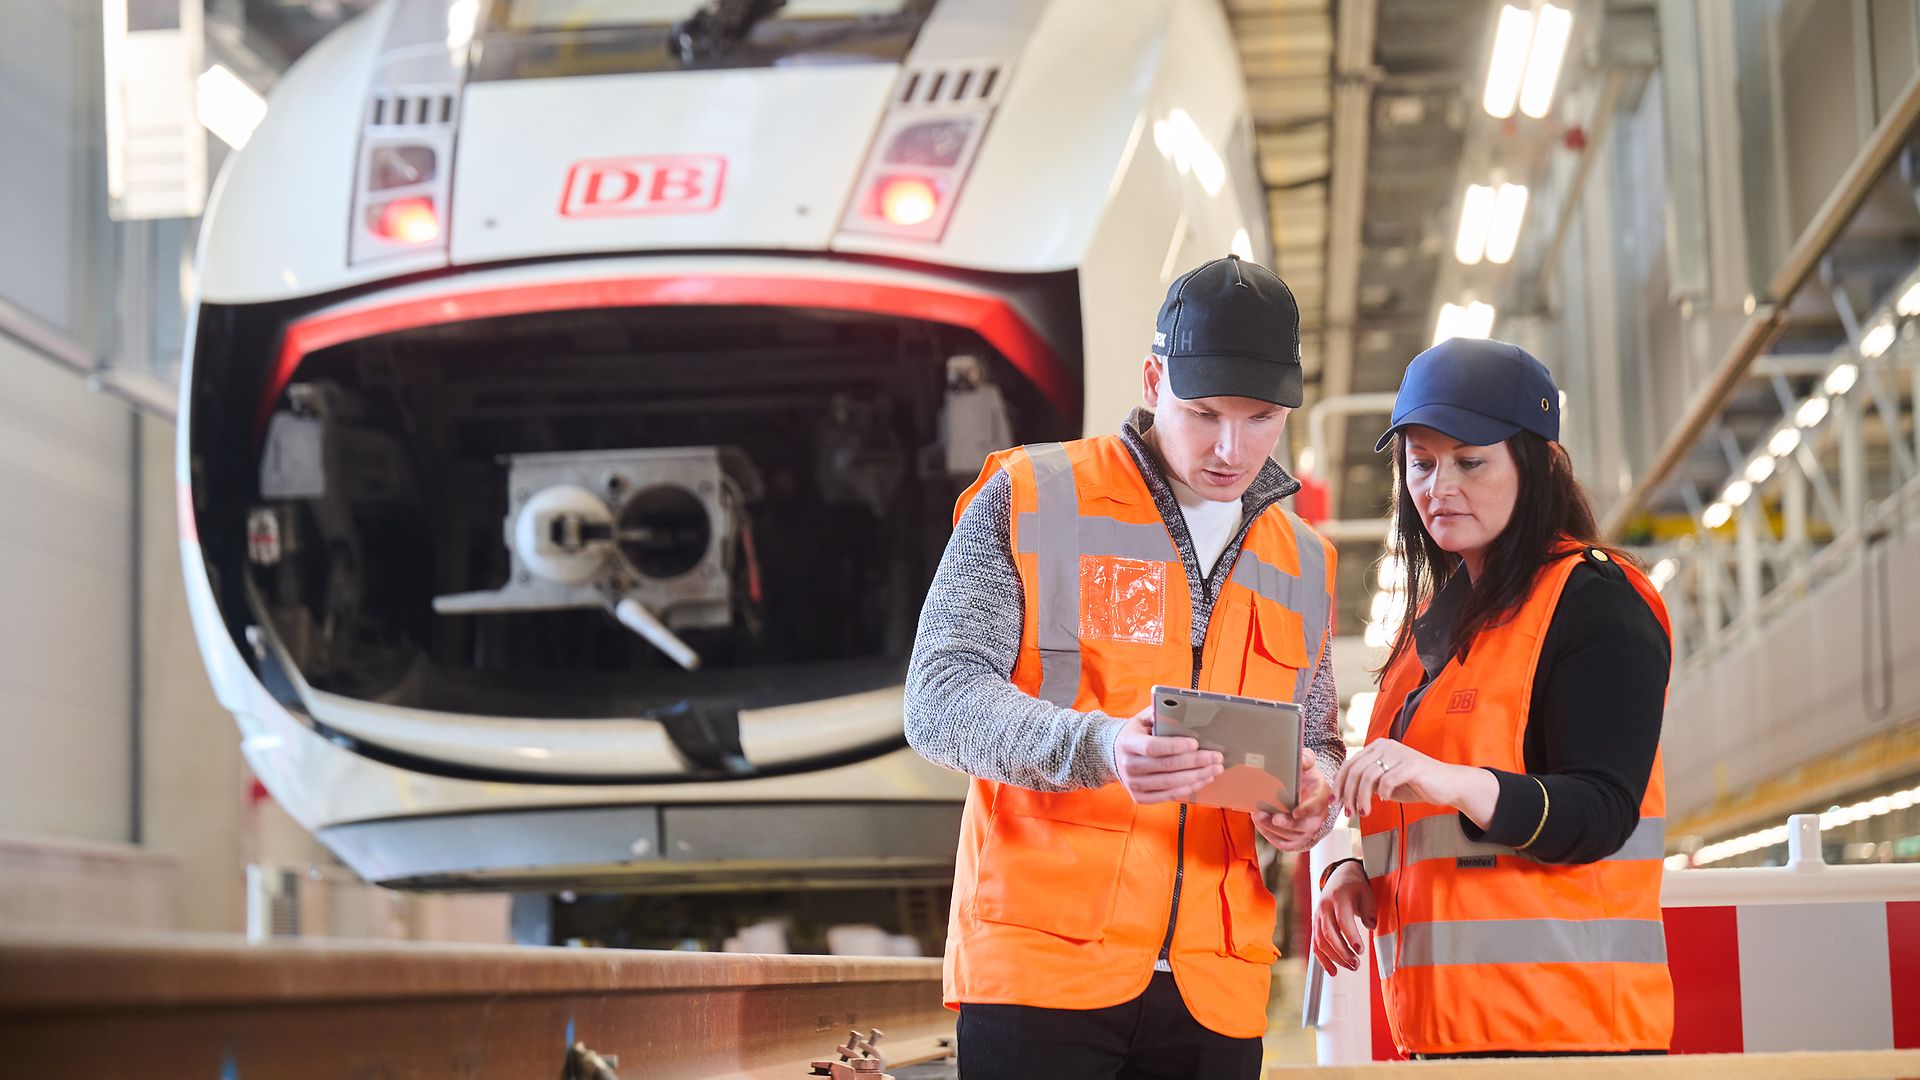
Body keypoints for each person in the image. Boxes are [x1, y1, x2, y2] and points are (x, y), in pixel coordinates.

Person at [905, 254, 1345, 1079]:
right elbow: (939, 698)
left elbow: (1319, 738)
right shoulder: (1035, 494)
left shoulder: (1308, 562)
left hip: (1218, 986)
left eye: (1260, 418)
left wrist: (1309, 799)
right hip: (1042, 971)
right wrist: (1104, 747)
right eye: (1205, 411)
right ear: (1152, 379)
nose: (1229, 446)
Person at [1313, 337, 1673, 1058]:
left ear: (1537, 463)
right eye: (1421, 462)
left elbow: (1600, 812)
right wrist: (1356, 871)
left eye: (1469, 461)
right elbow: (1426, 832)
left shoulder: (1595, 605)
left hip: (1569, 1042)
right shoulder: (1428, 635)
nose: (1438, 487)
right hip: (1445, 1042)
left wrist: (1448, 780)